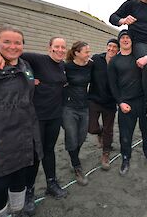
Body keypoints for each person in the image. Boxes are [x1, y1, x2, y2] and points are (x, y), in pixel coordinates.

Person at [0, 36, 68, 215]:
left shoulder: (63, 66)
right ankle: (29, 191)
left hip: (54, 116)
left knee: (49, 150)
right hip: (35, 118)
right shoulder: (38, 59)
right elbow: (12, 53)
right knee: (33, 155)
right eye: (57, 46)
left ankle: (51, 183)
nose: (61, 50)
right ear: (50, 48)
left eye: (64, 47)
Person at [0, 26, 42, 216]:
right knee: (0, 184)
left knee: (21, 179)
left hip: (26, 134)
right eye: (6, 42)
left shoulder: (25, 65)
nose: (13, 46)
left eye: (17, 42)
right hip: (0, 138)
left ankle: (17, 211)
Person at [108, 30, 147, 176]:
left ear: (131, 40)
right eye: (122, 38)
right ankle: (125, 159)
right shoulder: (114, 61)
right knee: (125, 134)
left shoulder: (139, 57)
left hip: (143, 102)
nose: (125, 40)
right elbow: (113, 85)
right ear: (119, 41)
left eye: (128, 37)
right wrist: (120, 103)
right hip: (126, 104)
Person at [62, 41, 93, 186]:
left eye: (89, 51)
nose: (89, 54)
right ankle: (76, 166)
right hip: (69, 107)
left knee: (81, 137)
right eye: (86, 52)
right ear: (76, 53)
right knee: (71, 137)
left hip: (84, 107)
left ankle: (74, 156)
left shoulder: (90, 65)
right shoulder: (66, 66)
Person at [88, 39, 119, 170]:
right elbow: (85, 69)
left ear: (118, 50)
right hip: (94, 99)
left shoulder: (119, 62)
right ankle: (98, 132)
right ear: (106, 47)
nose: (111, 49)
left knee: (109, 129)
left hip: (111, 102)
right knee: (91, 127)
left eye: (114, 47)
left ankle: (106, 154)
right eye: (110, 46)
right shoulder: (96, 59)